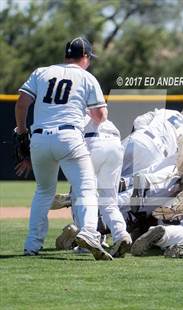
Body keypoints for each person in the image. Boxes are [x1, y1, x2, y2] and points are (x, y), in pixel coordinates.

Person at [15, 37, 112, 260]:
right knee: (86, 188)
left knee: (43, 191)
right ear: (85, 57)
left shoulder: (41, 72)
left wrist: (22, 133)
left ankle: (31, 244)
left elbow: (21, 103)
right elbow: (100, 116)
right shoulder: (87, 77)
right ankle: (88, 232)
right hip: (69, 137)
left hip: (39, 138)